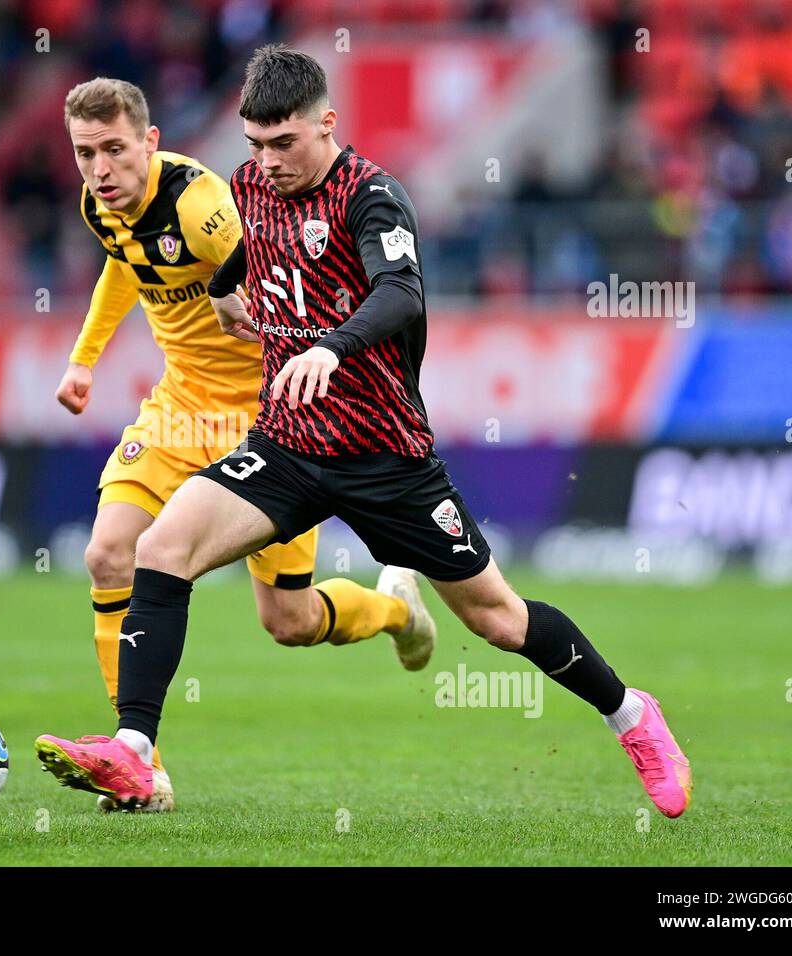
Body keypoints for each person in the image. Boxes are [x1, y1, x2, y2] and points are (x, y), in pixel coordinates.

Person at [36, 47, 693, 818]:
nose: (268, 162)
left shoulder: (372, 198)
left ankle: (634, 717)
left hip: (385, 456)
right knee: (157, 549)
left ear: (327, 124)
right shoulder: (251, 186)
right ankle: (136, 754)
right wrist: (221, 292)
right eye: (255, 145)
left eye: (284, 144)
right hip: (284, 445)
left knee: (496, 618)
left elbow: (401, 293)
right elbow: (249, 247)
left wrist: (330, 345)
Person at [48, 76, 438, 812]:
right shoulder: (99, 205)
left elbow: (276, 264)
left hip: (267, 418)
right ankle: (141, 769)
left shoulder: (204, 207)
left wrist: (293, 333)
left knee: (285, 622)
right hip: (179, 407)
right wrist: (84, 358)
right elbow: (122, 266)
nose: (100, 170)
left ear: (150, 142)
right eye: (84, 153)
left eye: (114, 150)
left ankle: (395, 608)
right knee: (108, 553)